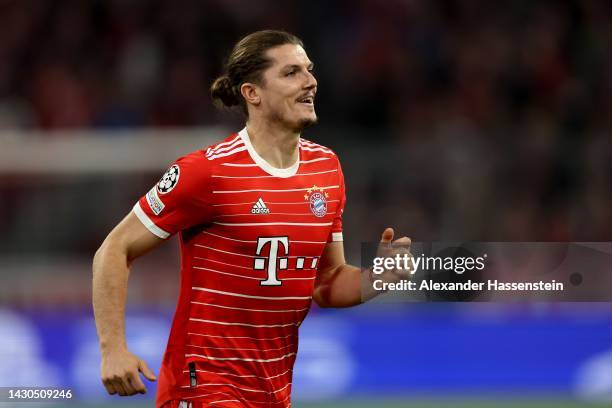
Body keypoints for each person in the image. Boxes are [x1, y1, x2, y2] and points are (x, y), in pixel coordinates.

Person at [92, 30, 411, 408]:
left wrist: (376, 278)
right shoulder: (207, 172)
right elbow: (115, 247)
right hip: (204, 384)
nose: (310, 81)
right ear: (252, 93)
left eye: (309, 70)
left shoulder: (326, 168)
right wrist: (113, 349)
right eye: (291, 73)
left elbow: (326, 282)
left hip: (273, 389)